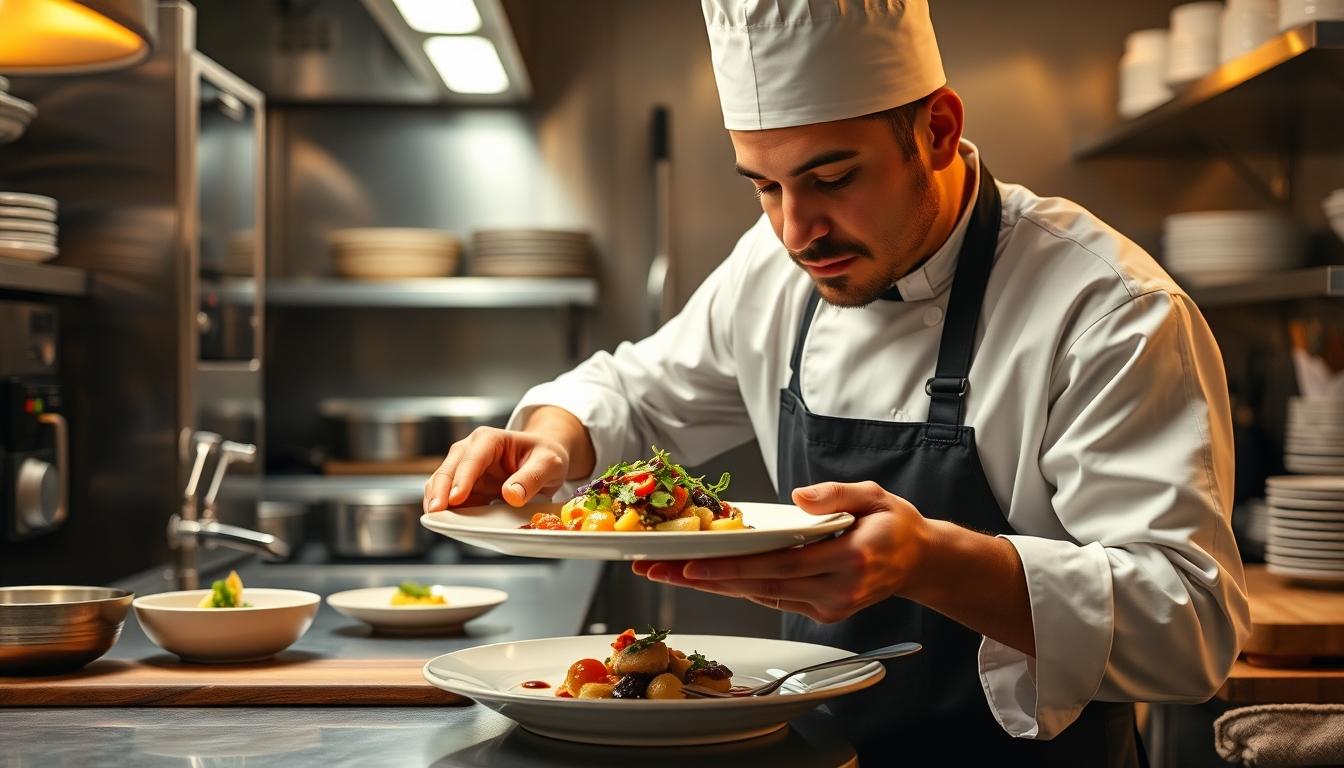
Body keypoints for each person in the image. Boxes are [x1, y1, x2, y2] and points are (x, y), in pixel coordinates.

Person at [424, 1, 1250, 763]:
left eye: (832, 178)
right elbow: (638, 391)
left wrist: (929, 561)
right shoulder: (776, 268)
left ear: (937, 128)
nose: (796, 231)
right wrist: (549, 440)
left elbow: (1192, 627)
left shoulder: (1107, 308)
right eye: (764, 187)